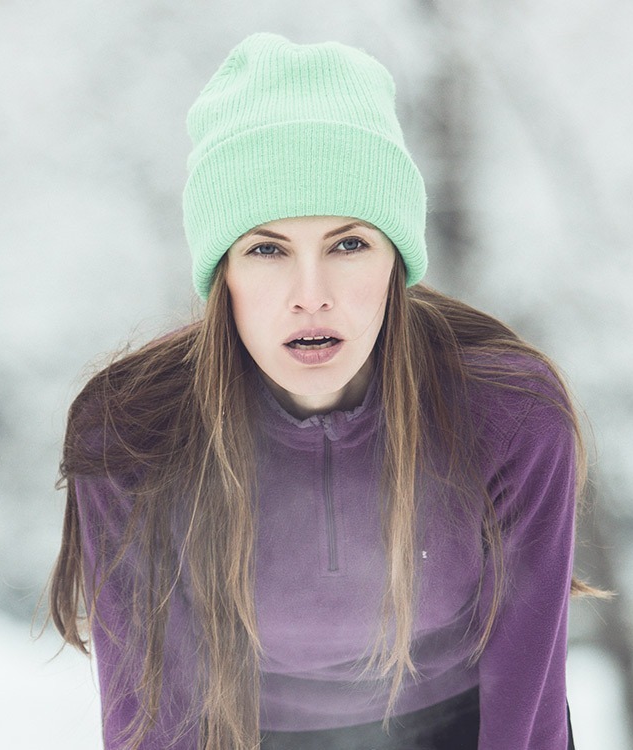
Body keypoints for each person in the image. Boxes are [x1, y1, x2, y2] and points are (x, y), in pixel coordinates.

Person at [49, 32, 599, 750]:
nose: (312, 296)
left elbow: (525, 693)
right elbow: (153, 715)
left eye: (349, 244)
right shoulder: (131, 432)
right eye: (267, 249)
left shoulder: (510, 415)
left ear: (396, 262)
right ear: (224, 276)